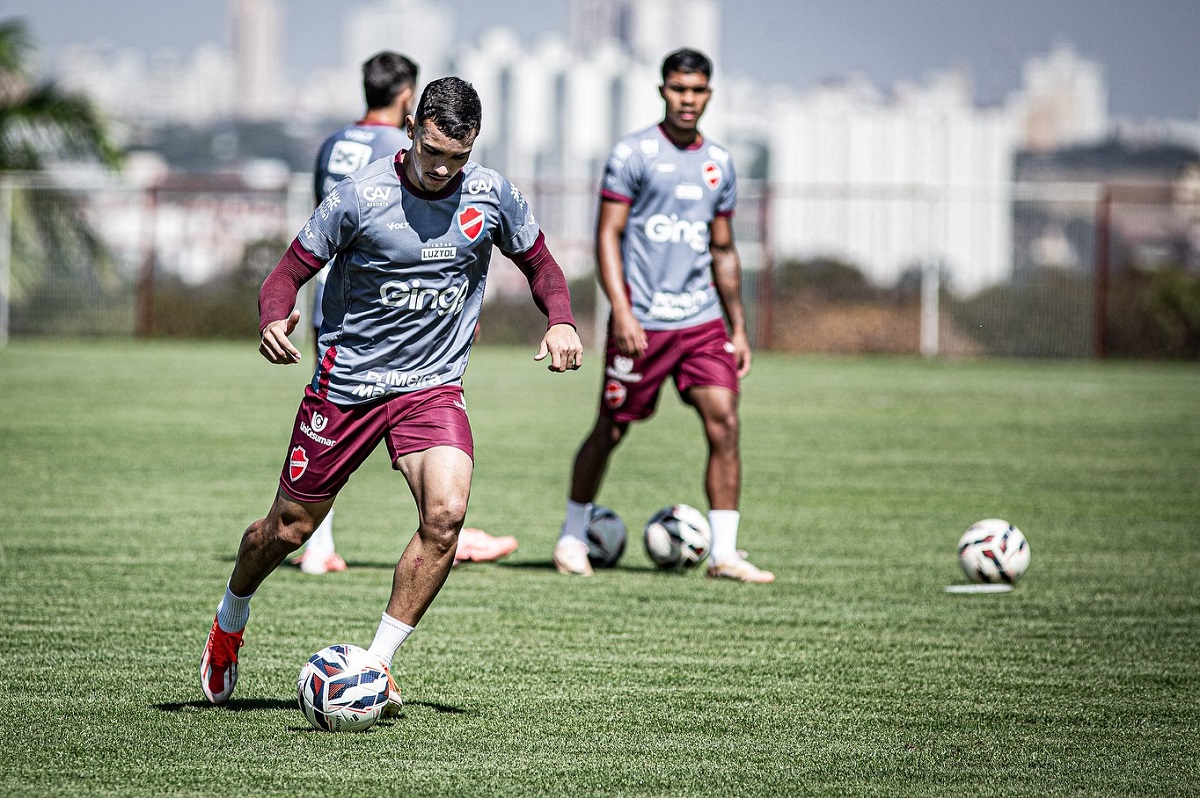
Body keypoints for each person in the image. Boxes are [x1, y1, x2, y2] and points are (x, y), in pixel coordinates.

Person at [201, 76, 584, 707]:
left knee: (446, 516)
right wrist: (272, 318)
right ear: (411, 130)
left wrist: (561, 319)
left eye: (457, 157)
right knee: (288, 531)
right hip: (346, 387)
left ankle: (375, 666)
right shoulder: (361, 196)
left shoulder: (492, 195)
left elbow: (541, 265)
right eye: (432, 152)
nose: (442, 169)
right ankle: (230, 617)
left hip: (431, 388)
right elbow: (287, 272)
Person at [552, 48, 773, 584]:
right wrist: (622, 312)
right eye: (678, 89)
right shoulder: (634, 154)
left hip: (701, 322)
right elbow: (608, 236)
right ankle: (571, 537)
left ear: (709, 94)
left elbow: (723, 249)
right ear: (662, 91)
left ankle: (724, 554)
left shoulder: (720, 162)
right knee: (611, 429)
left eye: (696, 90)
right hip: (643, 322)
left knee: (725, 421)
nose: (687, 99)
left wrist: (738, 327)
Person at [293, 51, 519, 574]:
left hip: (333, 299)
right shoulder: (395, 151)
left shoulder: (333, 144)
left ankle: (321, 544)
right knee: (389, 411)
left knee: (333, 431)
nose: (439, 167)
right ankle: (442, 528)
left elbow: (321, 220)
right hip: (385, 306)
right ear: (406, 103)